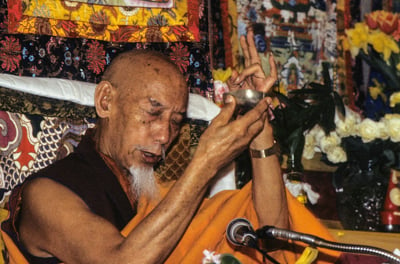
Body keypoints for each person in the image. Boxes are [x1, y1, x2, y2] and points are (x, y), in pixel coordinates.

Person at [1, 30, 338, 264]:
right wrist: (203, 166)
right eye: (153, 112)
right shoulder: (46, 194)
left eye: (176, 121)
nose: (165, 135)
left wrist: (258, 117)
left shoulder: (154, 199)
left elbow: (273, 232)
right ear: (106, 101)